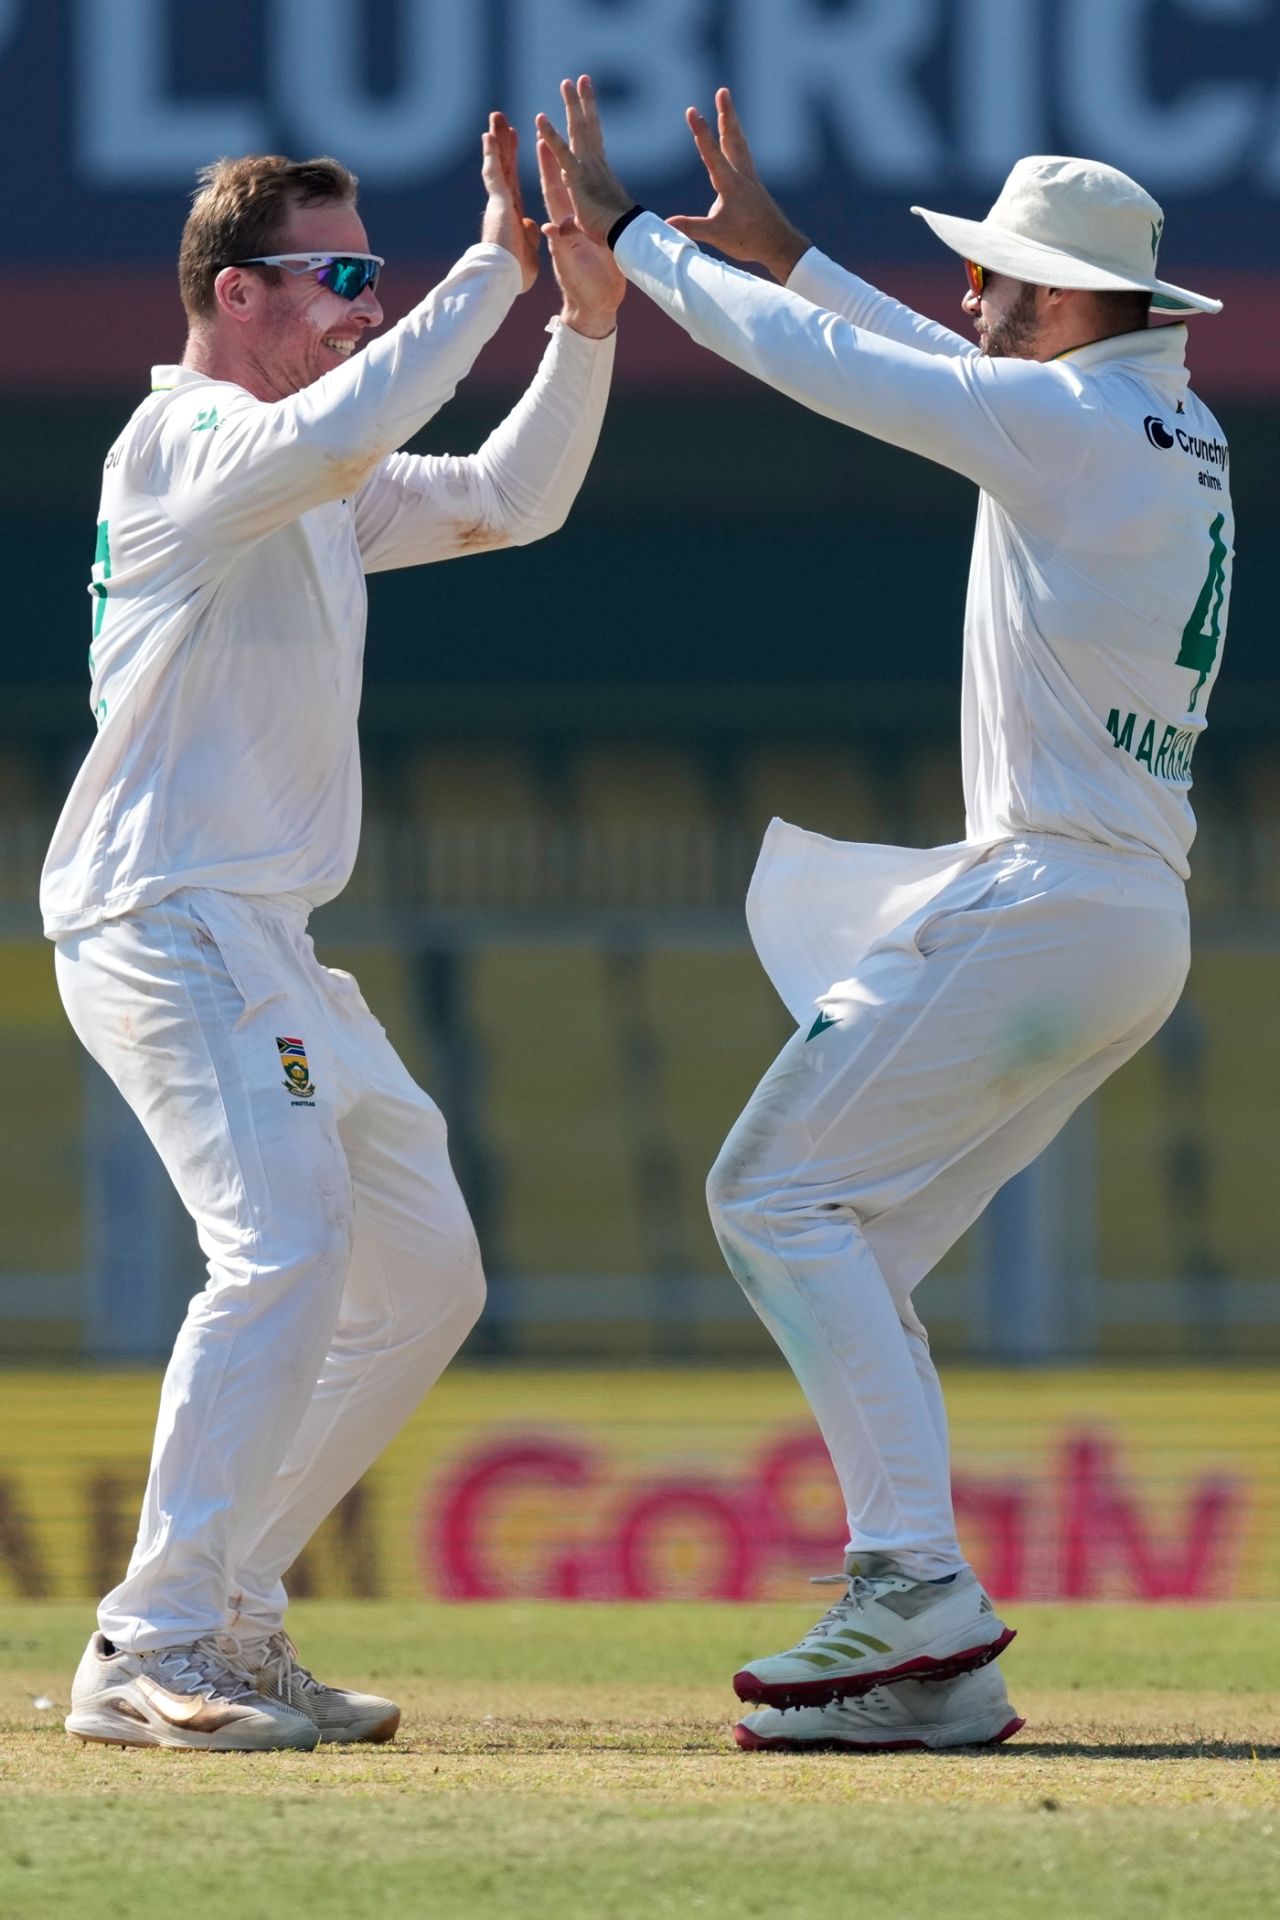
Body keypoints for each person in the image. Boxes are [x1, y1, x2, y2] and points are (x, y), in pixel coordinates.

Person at [538, 79, 1231, 1753]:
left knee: (774, 1199)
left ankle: (911, 1583)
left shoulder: (1067, 425)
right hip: (1132, 914)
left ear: (1061, 305)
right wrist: (794, 254)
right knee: (860, 1247)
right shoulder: (1164, 425)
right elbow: (945, 380)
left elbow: (863, 382)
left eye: (995, 278)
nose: (971, 294)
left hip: (1051, 894)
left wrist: (640, 246)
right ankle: (938, 1676)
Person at [46, 117, 625, 1751]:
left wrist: (579, 327)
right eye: (341, 276)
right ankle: (154, 1644)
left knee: (426, 1275)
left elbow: (516, 499)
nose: (367, 306)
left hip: (268, 940)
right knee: (286, 1247)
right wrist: (493, 266)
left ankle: (226, 1607)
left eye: (376, 276)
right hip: (168, 914)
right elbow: (363, 417)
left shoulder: (309, 479)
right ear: (237, 296)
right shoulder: (185, 451)